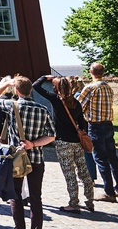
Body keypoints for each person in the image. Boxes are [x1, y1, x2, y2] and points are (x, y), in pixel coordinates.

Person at [0, 75, 57, 229]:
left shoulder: (12, 106)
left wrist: (5, 84)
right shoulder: (43, 109)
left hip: (16, 158)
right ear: (31, 90)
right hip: (36, 157)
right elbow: (51, 136)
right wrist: (33, 144)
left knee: (16, 195)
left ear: (16, 90)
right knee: (36, 197)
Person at [33, 74, 94, 213]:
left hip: (63, 142)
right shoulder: (75, 102)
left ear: (57, 88)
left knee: (70, 174)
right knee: (84, 171)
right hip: (77, 142)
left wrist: (44, 77)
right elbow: (83, 123)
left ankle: (74, 204)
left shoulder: (56, 100)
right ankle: (90, 201)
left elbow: (36, 86)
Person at [79, 62, 118, 202]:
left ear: (91, 72)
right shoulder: (108, 88)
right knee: (113, 158)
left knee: (100, 159)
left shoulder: (90, 88)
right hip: (108, 125)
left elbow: (78, 106)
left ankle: (109, 192)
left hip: (95, 126)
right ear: (103, 73)